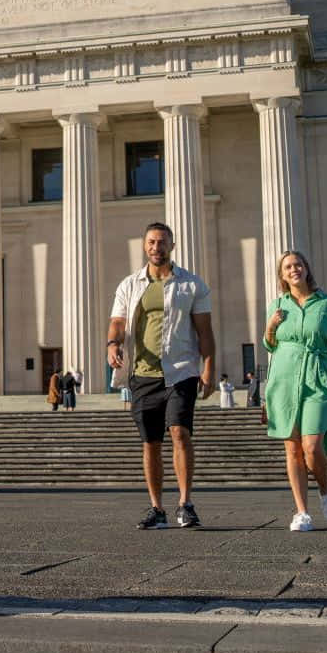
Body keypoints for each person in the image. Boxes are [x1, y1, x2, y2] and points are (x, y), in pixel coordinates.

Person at [107, 222, 216, 530]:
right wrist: (112, 344)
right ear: (145, 246)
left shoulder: (192, 284)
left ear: (172, 246)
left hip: (180, 370)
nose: (157, 247)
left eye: (163, 242)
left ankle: (185, 503)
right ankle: (157, 508)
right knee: (150, 442)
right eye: (152, 242)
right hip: (142, 373)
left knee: (180, 432)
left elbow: (205, 332)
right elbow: (117, 322)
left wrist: (208, 366)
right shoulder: (129, 285)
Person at [262, 249, 327, 532]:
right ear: (282, 274)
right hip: (284, 379)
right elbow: (270, 345)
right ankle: (301, 512)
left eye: (298, 264)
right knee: (292, 449)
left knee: (311, 446)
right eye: (288, 267)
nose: (294, 270)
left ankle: (325, 491)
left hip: (318, 377)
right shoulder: (277, 305)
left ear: (306, 268)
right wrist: (270, 326)